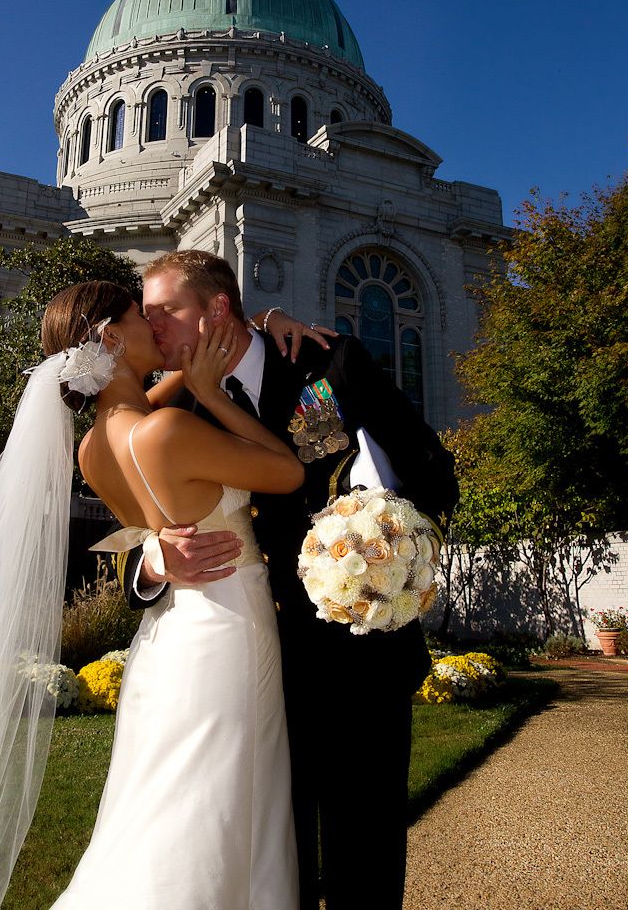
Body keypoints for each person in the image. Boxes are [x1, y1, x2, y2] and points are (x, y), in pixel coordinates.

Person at [0, 280, 303, 910]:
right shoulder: (168, 427)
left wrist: (252, 324)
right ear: (110, 337)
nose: (155, 324)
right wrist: (211, 395)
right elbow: (288, 471)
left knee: (164, 812)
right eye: (140, 315)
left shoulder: (92, 449)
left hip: (168, 639)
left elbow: (135, 412)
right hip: (226, 628)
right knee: (220, 808)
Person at [119, 250, 459, 910]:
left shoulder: (325, 366)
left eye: (165, 312)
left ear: (217, 309)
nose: (152, 326)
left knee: (365, 853)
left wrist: (397, 539)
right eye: (146, 315)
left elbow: (432, 473)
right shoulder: (174, 409)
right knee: (278, 860)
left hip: (362, 657)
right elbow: (135, 528)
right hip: (251, 665)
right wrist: (155, 562)